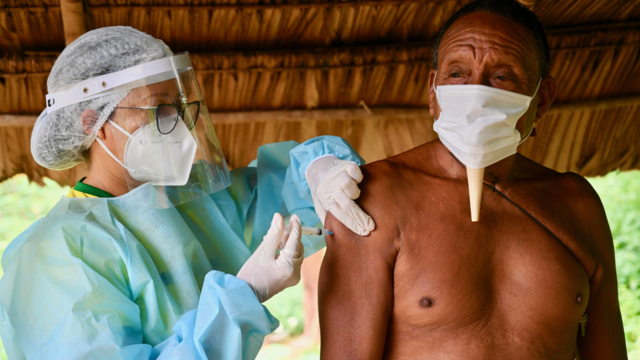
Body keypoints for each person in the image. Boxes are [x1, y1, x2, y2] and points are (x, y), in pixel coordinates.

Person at [0, 26, 375, 360]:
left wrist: (319, 167)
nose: (176, 124)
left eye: (178, 107)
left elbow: (290, 195)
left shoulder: (193, 201)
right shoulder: (53, 255)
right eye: (158, 110)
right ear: (95, 124)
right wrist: (241, 297)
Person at [318, 1, 628, 359]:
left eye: (502, 77)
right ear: (433, 90)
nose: (476, 92)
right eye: (457, 74)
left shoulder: (576, 203)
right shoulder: (375, 198)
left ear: (540, 100)